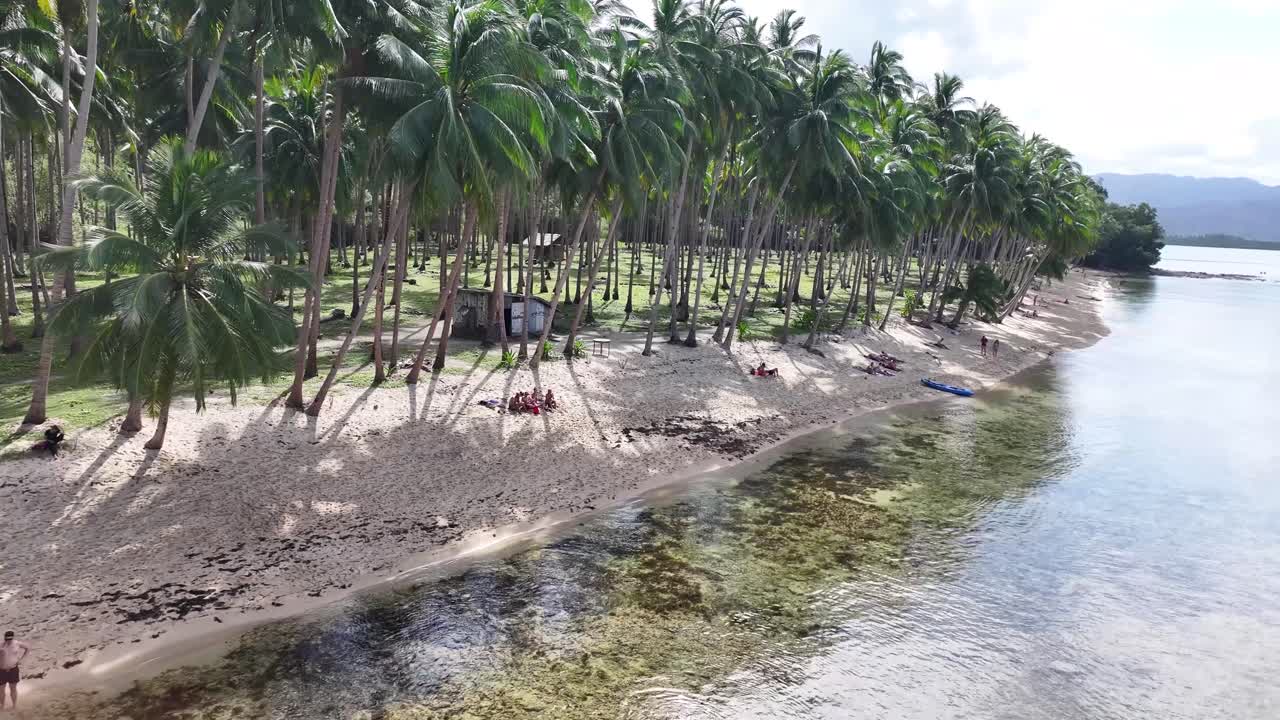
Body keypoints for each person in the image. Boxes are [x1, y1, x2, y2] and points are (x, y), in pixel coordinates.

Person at [1, 631, 30, 711]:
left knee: (13, 688)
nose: (8, 641)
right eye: (6, 639)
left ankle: (14, 705)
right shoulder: (1, 645)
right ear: (4, 638)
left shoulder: (17, 643)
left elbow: (28, 648)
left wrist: (22, 659)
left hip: (13, 669)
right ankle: (2, 706)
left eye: (10, 639)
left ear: (12, 638)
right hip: (1, 670)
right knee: (1, 690)